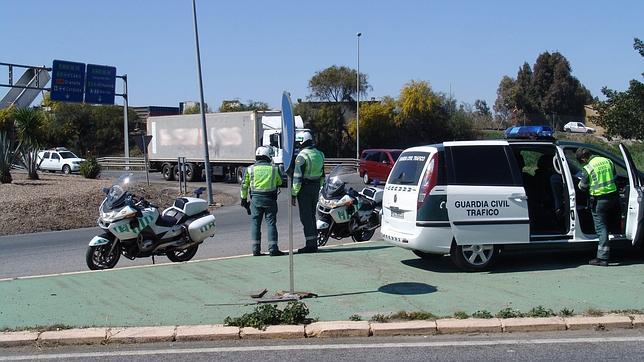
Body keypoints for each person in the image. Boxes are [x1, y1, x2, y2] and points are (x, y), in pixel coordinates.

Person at [576, 148, 619, 266]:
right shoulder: (607, 161)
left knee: (601, 227)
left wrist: (580, 184)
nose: (583, 163)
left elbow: (583, 186)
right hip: (613, 197)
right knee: (608, 222)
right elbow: (615, 177)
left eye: (582, 161)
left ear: (584, 158)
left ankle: (602, 257)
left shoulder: (588, 168)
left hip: (599, 199)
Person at [240, 146, 284, 256]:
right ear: (268, 156)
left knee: (255, 224)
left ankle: (255, 249)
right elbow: (279, 182)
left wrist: (243, 199)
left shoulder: (250, 169)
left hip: (255, 200)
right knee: (271, 224)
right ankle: (273, 249)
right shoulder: (274, 168)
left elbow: (244, 186)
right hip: (270, 200)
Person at [291, 131, 325, 253]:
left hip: (304, 189)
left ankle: (311, 245)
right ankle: (314, 242)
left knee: (306, 218)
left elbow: (297, 177)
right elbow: (322, 175)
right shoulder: (320, 154)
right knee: (312, 216)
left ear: (301, 142)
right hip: (315, 188)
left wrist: (294, 193)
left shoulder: (302, 156)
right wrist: (319, 188)